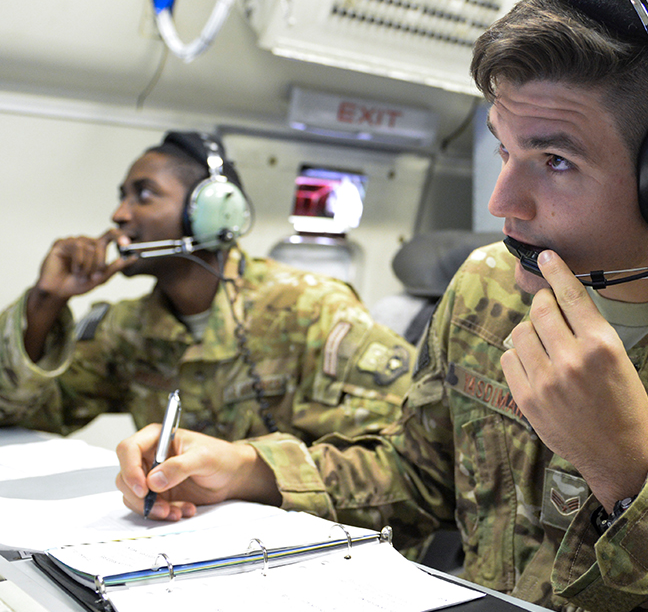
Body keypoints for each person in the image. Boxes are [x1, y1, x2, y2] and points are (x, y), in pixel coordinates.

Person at [115, 0, 648, 612]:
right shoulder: (486, 289)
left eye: (555, 160)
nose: (503, 205)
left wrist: (630, 471)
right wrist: (247, 469)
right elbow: (415, 477)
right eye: (504, 150)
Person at [0, 131, 414, 444]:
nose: (119, 214)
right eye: (122, 197)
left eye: (143, 195)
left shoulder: (313, 308)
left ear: (211, 214)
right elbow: (23, 416)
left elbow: (397, 451)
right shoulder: (126, 330)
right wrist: (45, 301)